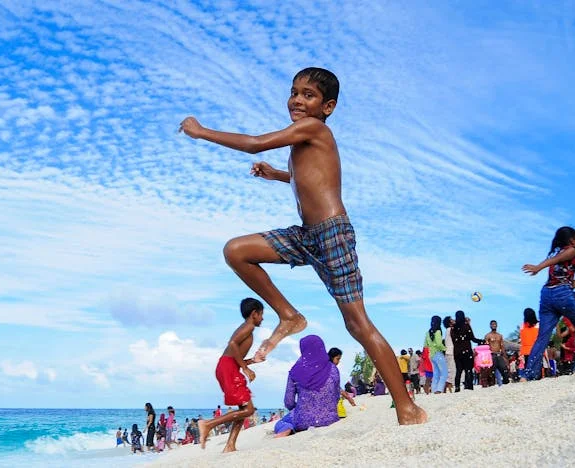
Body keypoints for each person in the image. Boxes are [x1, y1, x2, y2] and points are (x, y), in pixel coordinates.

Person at [179, 67, 426, 426]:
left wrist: (201, 132)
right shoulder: (303, 139)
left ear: (328, 106)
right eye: (294, 92)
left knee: (357, 324)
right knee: (236, 250)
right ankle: (289, 315)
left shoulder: (315, 128)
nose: (297, 99)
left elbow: (254, 142)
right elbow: (309, 178)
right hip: (305, 236)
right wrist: (278, 175)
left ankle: (406, 407)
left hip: (331, 235)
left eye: (308, 95)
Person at [521, 226, 575, 380]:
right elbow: (564, 279)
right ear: (572, 240)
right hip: (562, 295)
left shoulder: (556, 255)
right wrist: (539, 267)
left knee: (542, 337)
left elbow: (570, 283)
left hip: (547, 294)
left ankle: (528, 374)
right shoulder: (572, 250)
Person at [196, 298, 263, 452]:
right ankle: (207, 424)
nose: (262, 318)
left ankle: (230, 445)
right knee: (249, 410)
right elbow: (232, 344)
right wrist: (246, 370)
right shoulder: (249, 327)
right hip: (228, 368)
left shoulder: (247, 328)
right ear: (254, 314)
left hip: (227, 366)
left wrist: (253, 361)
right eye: (261, 314)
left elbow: (234, 357)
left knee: (242, 408)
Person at [274, 335, 346, 437]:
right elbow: (336, 396)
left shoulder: (295, 371)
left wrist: (304, 407)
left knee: (281, 423)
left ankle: (287, 429)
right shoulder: (333, 369)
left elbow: (288, 402)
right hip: (330, 419)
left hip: (303, 421)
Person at [451, 311, 483, 391]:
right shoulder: (466, 326)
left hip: (457, 352)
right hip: (466, 350)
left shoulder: (453, 328)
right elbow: (472, 338)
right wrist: (481, 341)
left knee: (459, 370)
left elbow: (453, 340)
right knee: (468, 369)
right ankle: (469, 386)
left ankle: (457, 387)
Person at [424, 315, 447, 394]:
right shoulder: (438, 331)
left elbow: (426, 345)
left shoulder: (427, 332)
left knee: (436, 373)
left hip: (431, 355)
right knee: (444, 373)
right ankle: (439, 389)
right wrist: (445, 349)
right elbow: (439, 344)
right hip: (438, 353)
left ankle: (434, 390)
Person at [484, 320, 508, 386]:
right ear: (490, 326)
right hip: (491, 355)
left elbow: (502, 346)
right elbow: (486, 347)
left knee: (504, 369)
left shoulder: (500, 336)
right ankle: (491, 385)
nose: (494, 325)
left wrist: (505, 357)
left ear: (497, 325)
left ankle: (505, 384)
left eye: (495, 324)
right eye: (492, 324)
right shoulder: (487, 336)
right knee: (491, 372)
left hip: (499, 355)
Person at [443, 316, 456, 393]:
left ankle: (447, 387)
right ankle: (447, 387)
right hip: (451, 352)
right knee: (451, 370)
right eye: (451, 320)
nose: (453, 320)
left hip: (449, 352)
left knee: (450, 370)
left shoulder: (448, 330)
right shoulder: (451, 330)